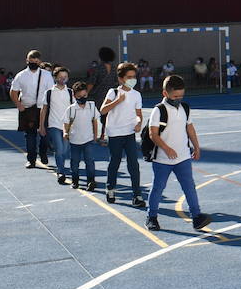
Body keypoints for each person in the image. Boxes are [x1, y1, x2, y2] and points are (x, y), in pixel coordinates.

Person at [145, 74, 210, 232]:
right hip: (162, 159)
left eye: (181, 96)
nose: (179, 99)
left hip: (183, 157)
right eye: (175, 96)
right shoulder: (158, 110)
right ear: (165, 94)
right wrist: (166, 148)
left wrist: (197, 146)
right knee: (158, 188)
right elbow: (153, 134)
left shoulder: (184, 108)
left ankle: (196, 216)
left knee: (189, 187)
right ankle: (151, 217)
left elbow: (190, 128)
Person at [99, 62, 146, 207]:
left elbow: (139, 114)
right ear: (121, 79)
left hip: (129, 133)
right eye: (129, 77)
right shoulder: (113, 92)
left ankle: (137, 195)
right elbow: (103, 110)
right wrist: (117, 101)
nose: (133, 79)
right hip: (114, 133)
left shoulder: (137, 95)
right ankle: (110, 188)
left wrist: (138, 123)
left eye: (134, 77)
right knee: (115, 161)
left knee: (134, 164)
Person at [9, 51, 52, 169]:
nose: (33, 63)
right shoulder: (21, 75)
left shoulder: (47, 75)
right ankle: (31, 160)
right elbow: (13, 91)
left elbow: (50, 92)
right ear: (27, 61)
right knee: (30, 136)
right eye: (31, 61)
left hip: (43, 108)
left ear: (40, 62)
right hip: (27, 110)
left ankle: (43, 153)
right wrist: (18, 105)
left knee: (45, 135)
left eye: (36, 61)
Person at [39, 66, 75, 185]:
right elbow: (44, 110)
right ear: (55, 78)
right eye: (60, 77)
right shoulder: (49, 92)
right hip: (54, 124)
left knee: (65, 150)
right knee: (59, 149)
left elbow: (75, 109)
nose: (62, 79)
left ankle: (61, 167)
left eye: (65, 77)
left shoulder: (70, 92)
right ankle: (61, 171)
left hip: (68, 126)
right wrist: (42, 126)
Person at [63, 82, 99, 191]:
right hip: (75, 141)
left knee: (90, 161)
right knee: (75, 162)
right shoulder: (71, 109)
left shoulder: (91, 106)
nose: (82, 98)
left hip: (88, 139)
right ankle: (75, 180)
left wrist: (95, 135)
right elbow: (66, 123)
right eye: (79, 97)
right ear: (74, 96)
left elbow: (95, 121)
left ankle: (91, 181)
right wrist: (65, 132)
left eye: (84, 96)